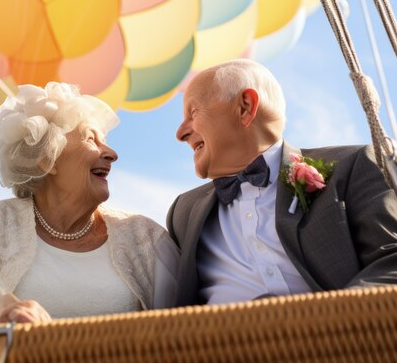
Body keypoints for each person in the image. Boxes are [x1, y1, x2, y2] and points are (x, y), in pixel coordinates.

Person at [167, 58, 397, 306]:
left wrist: (332, 322)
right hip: (222, 343)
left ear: (245, 107)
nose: (181, 133)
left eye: (193, 113)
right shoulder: (183, 212)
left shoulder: (353, 166)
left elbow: (391, 260)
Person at [0, 82, 178, 325]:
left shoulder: (146, 238)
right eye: (91, 139)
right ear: (47, 159)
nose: (112, 153)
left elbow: (186, 332)